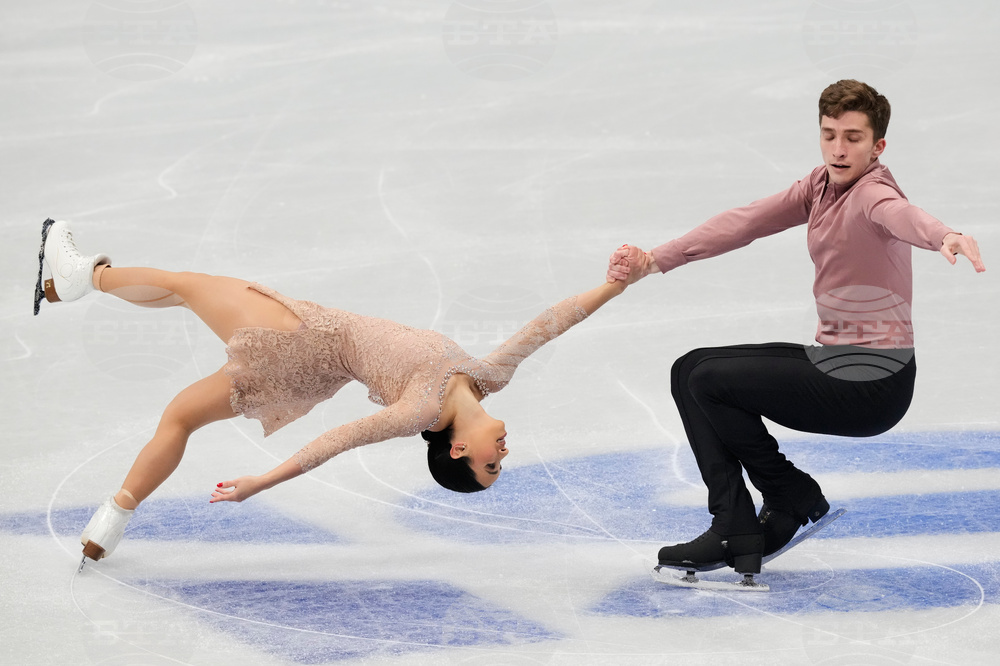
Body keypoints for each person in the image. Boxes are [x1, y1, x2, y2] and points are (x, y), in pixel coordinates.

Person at [34, 219, 630, 564]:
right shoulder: (488, 375)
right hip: (309, 372)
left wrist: (260, 482)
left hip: (302, 340)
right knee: (181, 415)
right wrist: (612, 285)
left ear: (457, 451)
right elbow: (547, 326)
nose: (504, 454)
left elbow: (339, 440)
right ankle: (111, 520)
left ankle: (84, 275)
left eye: (492, 466)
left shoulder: (420, 408)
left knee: (190, 285)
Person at [606, 79, 985, 577]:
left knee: (709, 382)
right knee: (689, 369)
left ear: (878, 146)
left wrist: (945, 235)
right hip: (835, 361)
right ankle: (755, 514)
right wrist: (656, 259)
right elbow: (745, 221)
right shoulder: (819, 187)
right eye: (829, 134)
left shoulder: (873, 194)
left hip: (872, 384)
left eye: (853, 137)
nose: (839, 148)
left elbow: (904, 217)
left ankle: (768, 503)